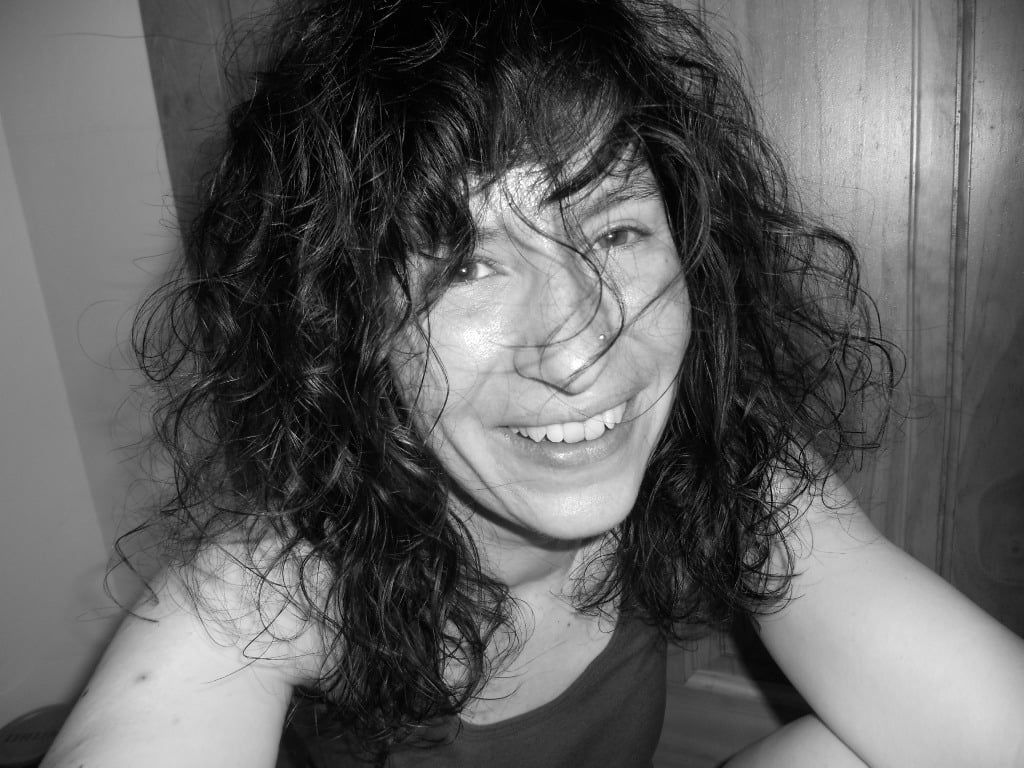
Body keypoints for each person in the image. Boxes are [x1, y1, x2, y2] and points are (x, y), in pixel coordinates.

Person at [42, 0, 1024, 766]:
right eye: (464, 263)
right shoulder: (271, 589)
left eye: (617, 231)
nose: (578, 347)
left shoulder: (726, 470)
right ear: (345, 326)